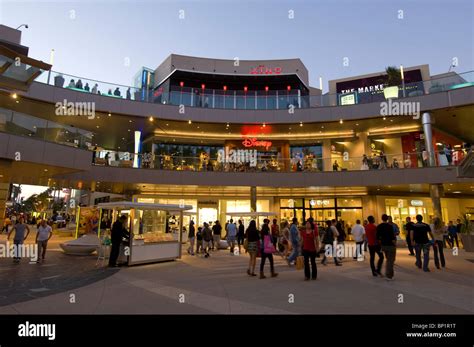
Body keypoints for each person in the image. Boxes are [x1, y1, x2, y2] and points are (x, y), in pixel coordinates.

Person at [376, 214, 396, 280]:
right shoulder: (390, 226)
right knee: (390, 260)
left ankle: (390, 274)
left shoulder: (379, 226)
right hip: (390, 245)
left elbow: (377, 237)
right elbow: (392, 236)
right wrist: (394, 243)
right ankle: (389, 275)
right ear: (387, 219)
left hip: (383, 245)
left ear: (382, 218)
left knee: (388, 259)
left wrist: (381, 243)